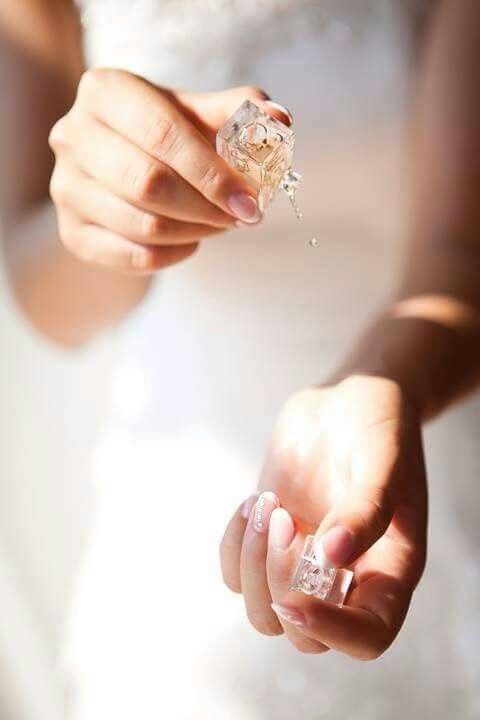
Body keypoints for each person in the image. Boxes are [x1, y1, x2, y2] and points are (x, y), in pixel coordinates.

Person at [2, 0, 480, 717]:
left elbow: (460, 256)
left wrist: (387, 385)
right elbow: (44, 306)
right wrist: (103, 220)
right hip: (179, 514)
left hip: (407, 444)